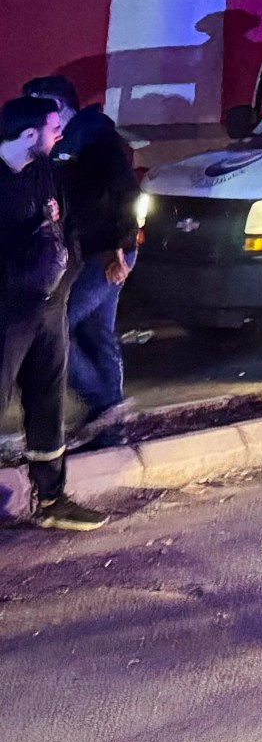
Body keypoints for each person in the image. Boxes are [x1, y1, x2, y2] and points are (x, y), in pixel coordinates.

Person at [1, 95, 108, 530]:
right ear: (29, 134)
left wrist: (64, 279)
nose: (61, 132)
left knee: (47, 401)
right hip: (7, 316)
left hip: (49, 312)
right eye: (53, 127)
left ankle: (51, 499)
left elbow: (66, 227)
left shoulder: (48, 172)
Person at [24, 75, 140, 439]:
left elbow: (125, 196)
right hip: (90, 250)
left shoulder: (95, 139)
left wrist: (117, 250)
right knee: (96, 331)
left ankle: (103, 405)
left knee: (50, 329)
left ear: (58, 106)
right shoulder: (67, 141)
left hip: (104, 253)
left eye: (39, 106)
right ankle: (111, 429)